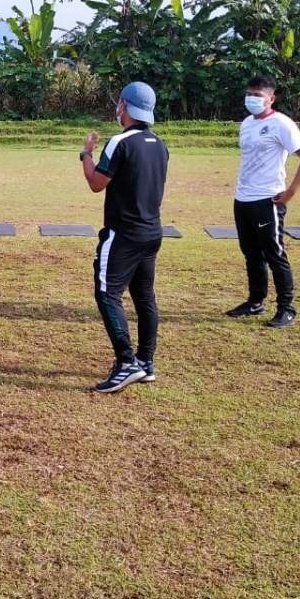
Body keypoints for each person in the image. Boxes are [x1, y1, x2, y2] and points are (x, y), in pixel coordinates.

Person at [80, 82, 169, 393]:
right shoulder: (159, 143)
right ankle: (146, 362)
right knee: (144, 296)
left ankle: (126, 362)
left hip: (123, 234)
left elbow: (96, 183)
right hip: (151, 231)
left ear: (125, 107)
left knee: (107, 294)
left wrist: (86, 154)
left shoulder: (120, 142)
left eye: (119, 104)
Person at [226, 75, 300, 329]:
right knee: (251, 253)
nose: (252, 99)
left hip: (268, 199)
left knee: (274, 253)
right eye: (249, 94)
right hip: (243, 198)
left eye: (258, 95)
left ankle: (286, 308)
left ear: (271, 98)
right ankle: (255, 301)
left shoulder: (282, 124)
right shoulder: (246, 123)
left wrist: (290, 193)